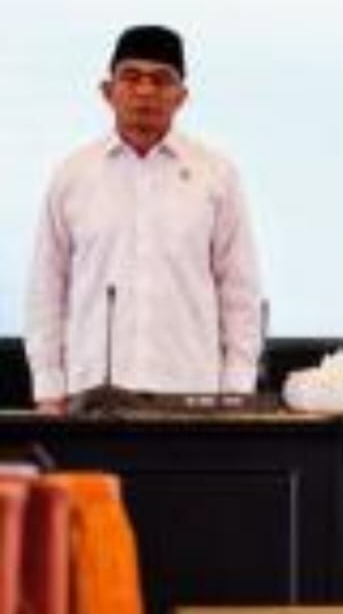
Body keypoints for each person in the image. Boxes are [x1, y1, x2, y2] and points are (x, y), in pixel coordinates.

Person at [25, 25, 264, 413]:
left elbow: (240, 292)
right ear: (108, 91)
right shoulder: (73, 176)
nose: (145, 90)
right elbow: (46, 289)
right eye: (132, 77)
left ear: (181, 97)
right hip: (91, 396)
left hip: (190, 395)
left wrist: (236, 390)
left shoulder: (216, 176)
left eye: (161, 79)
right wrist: (48, 385)